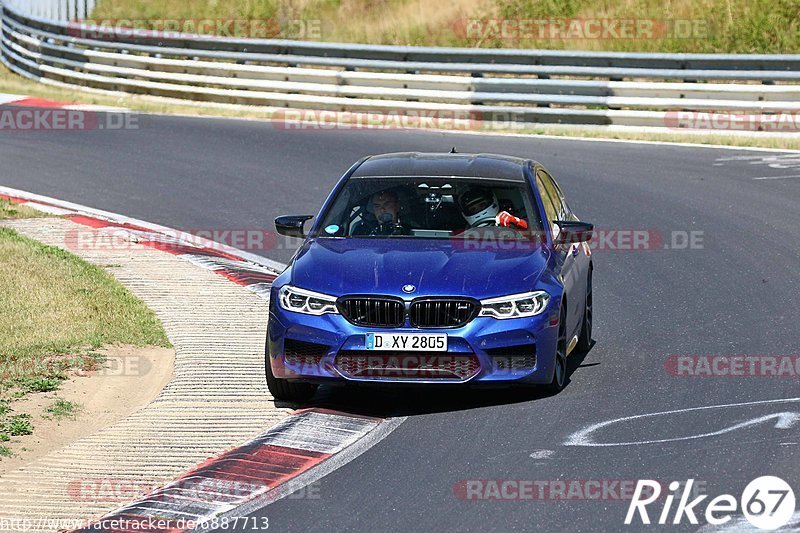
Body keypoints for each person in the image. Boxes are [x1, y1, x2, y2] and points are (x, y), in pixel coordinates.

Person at [458, 187, 528, 229]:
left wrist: (515, 223)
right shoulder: (461, 236)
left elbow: (532, 233)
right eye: (473, 209)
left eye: (482, 205)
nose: (479, 211)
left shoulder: (508, 221)